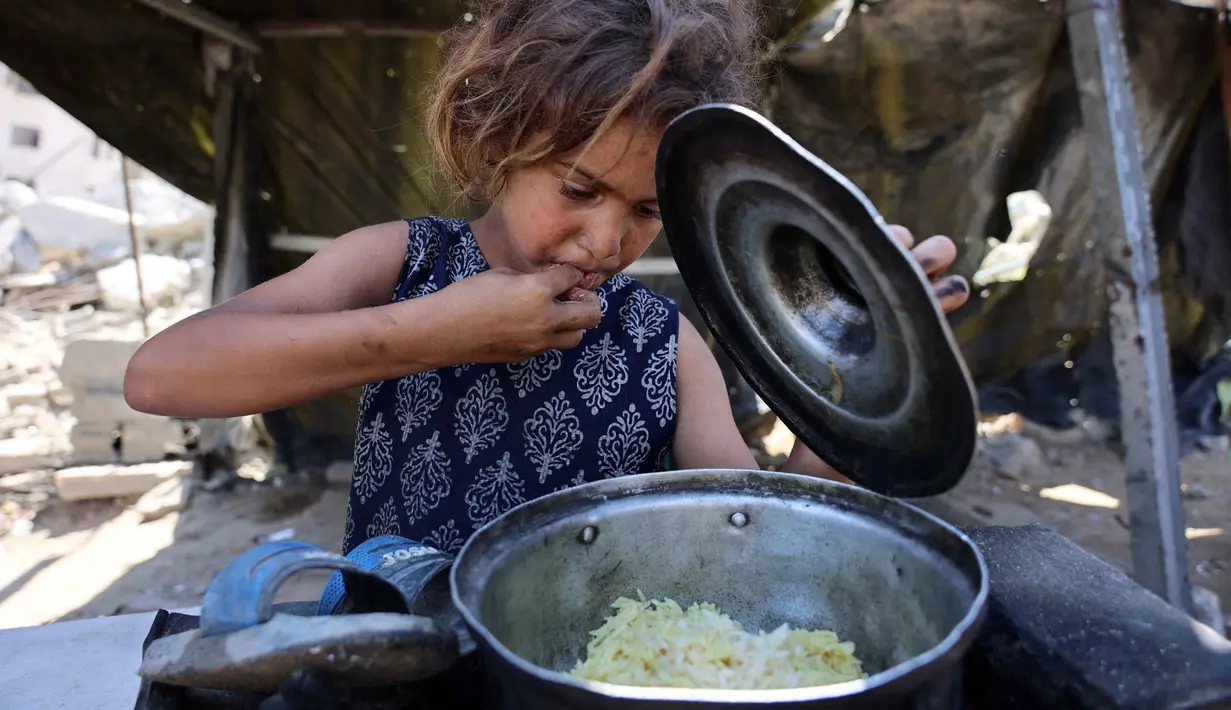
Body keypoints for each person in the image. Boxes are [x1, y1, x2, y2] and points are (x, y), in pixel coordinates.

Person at [124, 0, 970, 555]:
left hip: (589, 665)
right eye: (578, 188)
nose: (606, 238)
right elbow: (161, 377)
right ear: (497, 141)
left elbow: (747, 527)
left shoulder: (663, 343)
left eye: (646, 211)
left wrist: (853, 380)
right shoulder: (399, 263)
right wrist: (436, 332)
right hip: (404, 658)